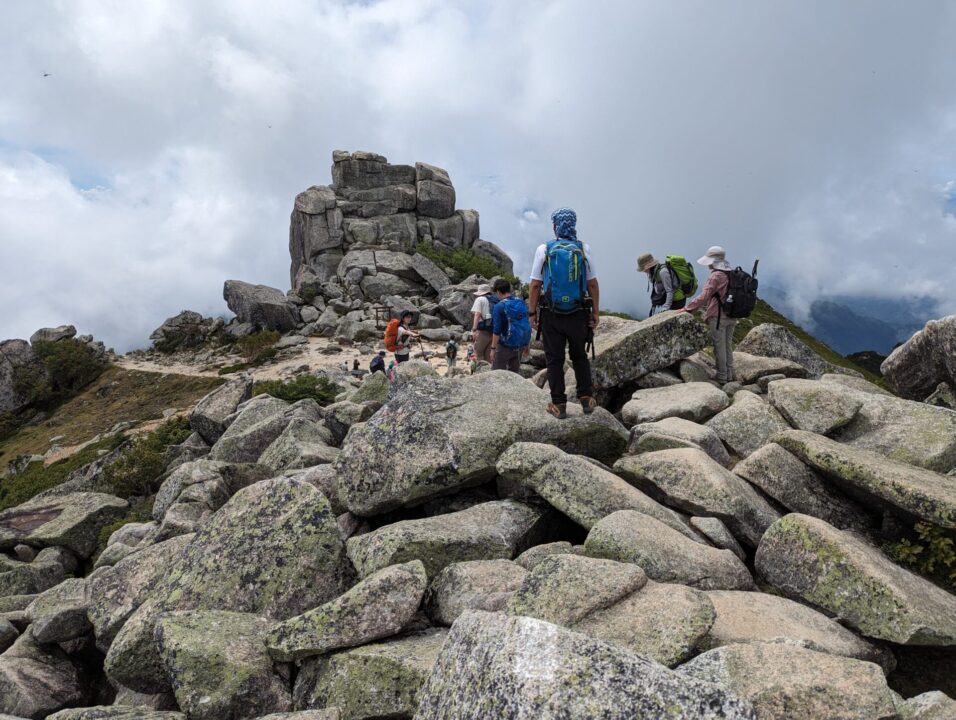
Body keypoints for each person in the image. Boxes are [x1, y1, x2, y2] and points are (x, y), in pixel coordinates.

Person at [528, 207, 599, 418]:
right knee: (579, 356)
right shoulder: (583, 248)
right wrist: (595, 312)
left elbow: (534, 285)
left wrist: (532, 313)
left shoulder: (545, 249)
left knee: (554, 359)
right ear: (574, 225)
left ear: (555, 226)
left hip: (552, 314)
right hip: (578, 312)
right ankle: (586, 398)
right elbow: (592, 284)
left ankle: (559, 404)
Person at [682, 245, 736, 384]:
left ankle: (722, 377)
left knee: (719, 347)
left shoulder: (715, 276)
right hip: (732, 315)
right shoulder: (731, 272)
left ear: (713, 261)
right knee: (727, 345)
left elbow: (704, 296)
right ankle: (730, 374)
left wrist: (688, 308)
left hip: (718, 317)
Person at [490, 278, 531, 373]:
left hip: (504, 345)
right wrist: (526, 345)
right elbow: (526, 324)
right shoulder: (520, 302)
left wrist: (492, 349)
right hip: (519, 345)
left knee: (497, 375)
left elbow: (497, 330)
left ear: (498, 292)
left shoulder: (499, 306)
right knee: (514, 375)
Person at [470, 284, 495, 363]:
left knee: (478, 353)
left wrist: (474, 329)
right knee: (488, 356)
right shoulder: (495, 299)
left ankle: (479, 373)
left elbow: (477, 315)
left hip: (482, 330)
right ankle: (488, 373)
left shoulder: (480, 299)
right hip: (493, 331)